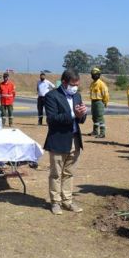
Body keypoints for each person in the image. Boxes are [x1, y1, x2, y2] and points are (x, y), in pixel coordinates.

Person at [44, 69, 87, 215]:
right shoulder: (52, 96)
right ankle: (55, 202)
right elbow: (52, 119)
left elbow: (80, 119)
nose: (75, 87)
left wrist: (82, 114)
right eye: (73, 84)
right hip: (58, 140)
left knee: (69, 173)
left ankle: (67, 201)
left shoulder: (77, 96)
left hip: (74, 139)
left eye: (77, 84)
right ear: (64, 82)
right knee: (56, 173)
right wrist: (74, 114)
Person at [88, 67, 109, 138]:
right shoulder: (92, 84)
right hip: (93, 102)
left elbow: (105, 94)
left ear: (98, 75)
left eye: (95, 74)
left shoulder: (101, 84)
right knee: (94, 117)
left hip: (99, 102)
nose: (93, 75)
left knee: (100, 117)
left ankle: (102, 133)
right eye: (92, 74)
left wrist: (105, 102)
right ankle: (95, 131)